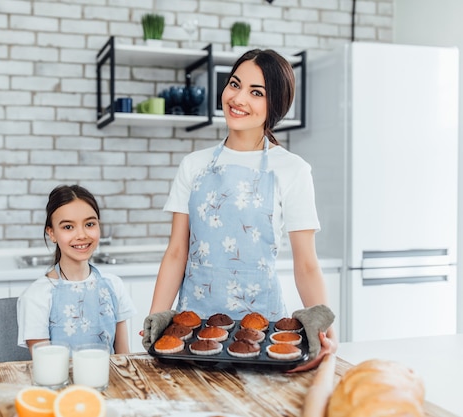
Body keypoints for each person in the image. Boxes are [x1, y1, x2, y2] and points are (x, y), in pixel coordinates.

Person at [148, 49, 337, 371]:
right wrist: (156, 320)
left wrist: (326, 332)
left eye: (257, 92)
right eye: (234, 84)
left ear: (274, 104)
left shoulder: (292, 170)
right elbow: (177, 251)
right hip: (191, 330)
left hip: (264, 333)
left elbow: (306, 263)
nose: (238, 98)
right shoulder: (194, 165)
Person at [17, 184, 136, 355]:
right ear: (51, 233)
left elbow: (123, 358)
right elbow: (46, 368)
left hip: (111, 381)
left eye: (89, 224)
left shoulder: (114, 286)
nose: (81, 235)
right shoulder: (37, 296)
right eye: (68, 227)